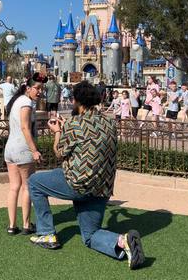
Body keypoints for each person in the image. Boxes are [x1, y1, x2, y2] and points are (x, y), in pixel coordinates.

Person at [28, 81, 145, 270]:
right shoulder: (109, 121)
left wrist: (58, 132)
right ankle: (123, 242)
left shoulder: (75, 123)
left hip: (78, 184)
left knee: (34, 182)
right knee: (90, 235)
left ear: (76, 101)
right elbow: (87, 141)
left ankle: (46, 233)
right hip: (101, 188)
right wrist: (68, 129)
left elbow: (59, 152)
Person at [4, 73, 47, 236]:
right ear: (28, 88)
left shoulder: (16, 101)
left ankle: (11, 225)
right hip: (23, 150)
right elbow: (25, 128)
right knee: (27, 187)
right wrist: (34, 150)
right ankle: (27, 225)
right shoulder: (26, 103)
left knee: (14, 187)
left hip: (10, 149)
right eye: (37, 88)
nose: (39, 91)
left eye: (41, 88)